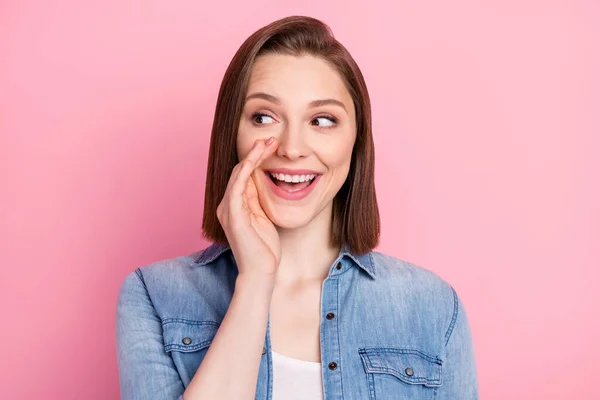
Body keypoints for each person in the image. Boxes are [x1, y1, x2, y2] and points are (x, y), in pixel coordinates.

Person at [115, 15, 478, 400]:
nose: (291, 147)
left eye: (322, 120)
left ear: (356, 143)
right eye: (264, 117)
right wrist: (255, 281)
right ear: (232, 133)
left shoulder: (433, 308)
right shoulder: (154, 295)